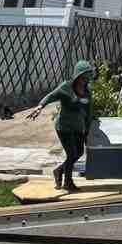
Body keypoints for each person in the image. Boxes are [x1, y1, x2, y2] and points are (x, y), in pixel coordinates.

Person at [27, 60, 96, 192]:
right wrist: (40, 107)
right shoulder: (66, 87)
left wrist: (87, 130)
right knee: (71, 154)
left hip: (77, 127)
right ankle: (68, 183)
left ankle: (59, 170)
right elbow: (51, 96)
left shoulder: (87, 92)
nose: (85, 78)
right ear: (77, 75)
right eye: (83, 75)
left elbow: (89, 112)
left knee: (79, 153)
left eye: (88, 75)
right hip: (64, 127)